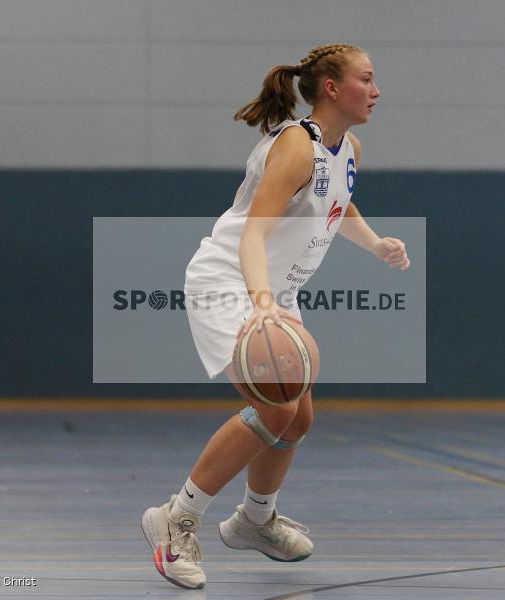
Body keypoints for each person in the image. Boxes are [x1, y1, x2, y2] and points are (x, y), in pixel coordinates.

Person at [140, 44, 410, 589]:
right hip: (232, 279)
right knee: (276, 404)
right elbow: (256, 233)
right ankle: (176, 519)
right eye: (367, 79)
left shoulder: (347, 146)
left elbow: (339, 205)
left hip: (273, 289)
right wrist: (263, 305)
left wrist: (375, 243)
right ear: (332, 88)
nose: (377, 90)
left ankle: (255, 521)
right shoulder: (295, 145)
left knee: (298, 416)